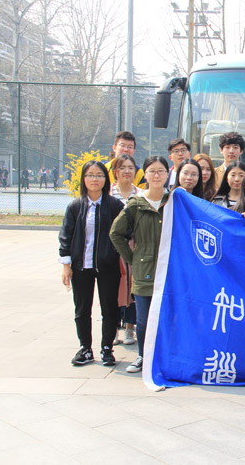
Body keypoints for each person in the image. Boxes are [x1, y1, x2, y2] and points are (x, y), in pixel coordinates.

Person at [59, 160, 125, 366]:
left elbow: (124, 232)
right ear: (83, 179)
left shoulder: (115, 206)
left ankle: (107, 348)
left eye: (99, 175)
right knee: (82, 309)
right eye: (90, 175)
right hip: (81, 266)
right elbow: (66, 236)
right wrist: (66, 265)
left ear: (106, 179)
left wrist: (116, 254)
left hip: (108, 266)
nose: (94, 179)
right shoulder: (75, 206)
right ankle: (85, 348)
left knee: (109, 308)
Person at [110, 156, 171, 374]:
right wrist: (133, 259)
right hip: (144, 269)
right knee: (143, 319)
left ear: (167, 174)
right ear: (144, 174)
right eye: (152, 171)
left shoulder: (174, 201)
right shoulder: (136, 204)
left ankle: (166, 357)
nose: (157, 175)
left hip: (170, 269)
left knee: (167, 317)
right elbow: (115, 233)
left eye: (161, 171)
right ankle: (143, 356)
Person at [109, 154, 143, 346]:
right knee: (112, 288)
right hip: (112, 248)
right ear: (116, 171)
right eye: (122, 167)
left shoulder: (141, 194)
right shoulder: (108, 193)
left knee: (132, 288)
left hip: (134, 247)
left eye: (131, 167)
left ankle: (130, 327)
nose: (127, 171)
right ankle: (113, 328)